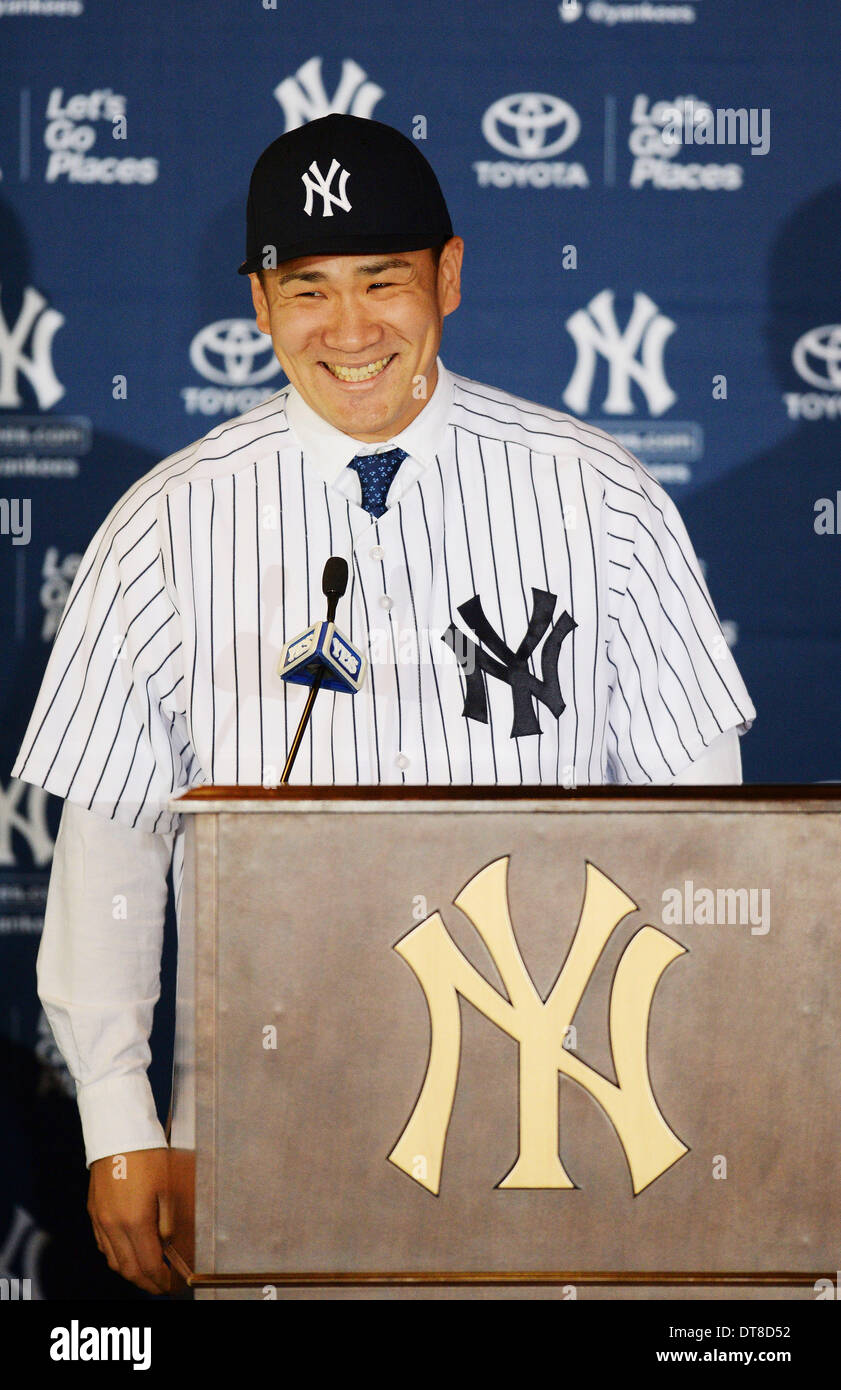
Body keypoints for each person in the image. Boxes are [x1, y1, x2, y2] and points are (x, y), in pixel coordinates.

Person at [10, 114, 755, 1294]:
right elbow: (110, 850)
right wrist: (118, 1114)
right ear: (257, 303)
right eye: (306, 289)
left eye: (382, 281)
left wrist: (689, 1096)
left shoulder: (599, 497)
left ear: (447, 278)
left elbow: (705, 841)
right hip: (265, 1114)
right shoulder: (164, 524)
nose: (348, 330)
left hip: (556, 1112)